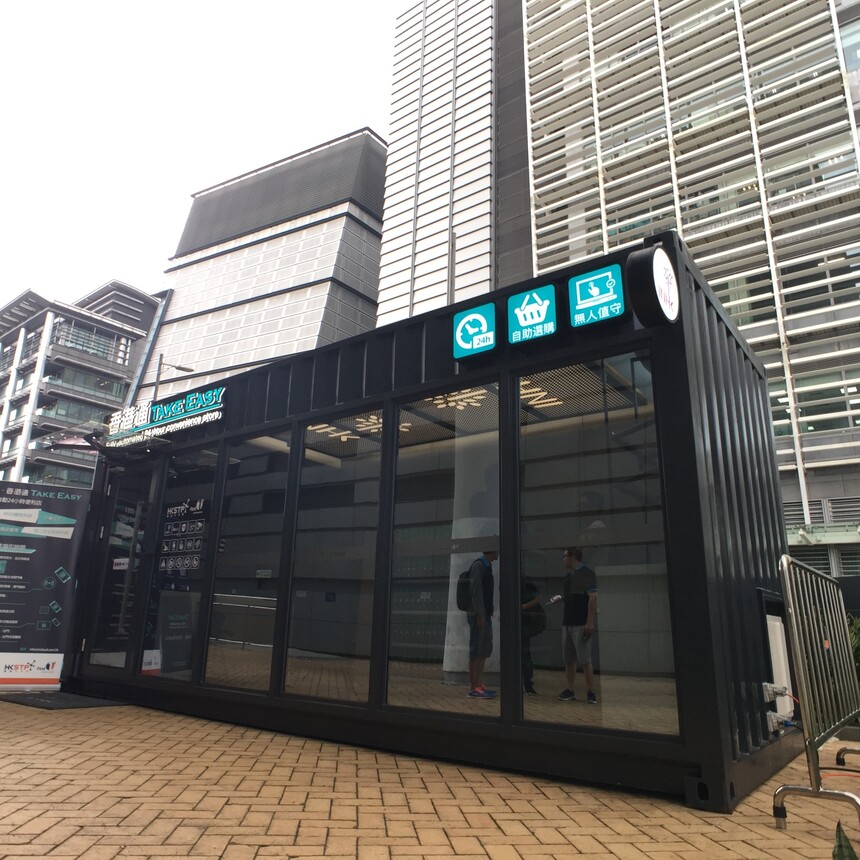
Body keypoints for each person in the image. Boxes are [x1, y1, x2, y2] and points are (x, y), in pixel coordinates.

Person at [558, 546, 598, 704]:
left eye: (565, 556)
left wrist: (589, 622)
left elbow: (592, 598)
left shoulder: (587, 574)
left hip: (581, 623)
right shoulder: (568, 577)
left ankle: (591, 692)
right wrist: (561, 599)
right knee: (569, 659)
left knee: (585, 659)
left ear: (572, 557)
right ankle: (570, 690)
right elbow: (571, 597)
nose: (563, 559)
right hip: (567, 622)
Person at [467, 549, 498, 698]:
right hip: (479, 615)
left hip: (484, 614)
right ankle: (473, 687)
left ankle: (478, 684)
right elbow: (476, 592)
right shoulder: (479, 566)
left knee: (484, 648)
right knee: (476, 649)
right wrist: (480, 614)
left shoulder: (487, 566)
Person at [521, 577, 543, 695]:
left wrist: (523, 607)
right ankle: (526, 682)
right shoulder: (525, 583)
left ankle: (527, 682)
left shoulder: (526, 584)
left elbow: (537, 600)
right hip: (524, 623)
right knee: (525, 654)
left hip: (525, 623)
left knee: (525, 654)